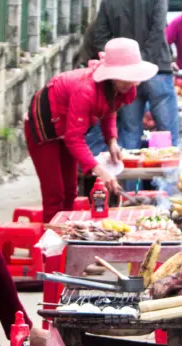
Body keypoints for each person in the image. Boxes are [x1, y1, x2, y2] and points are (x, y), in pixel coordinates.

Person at [25, 38, 157, 222]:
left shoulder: (122, 88)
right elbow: (75, 139)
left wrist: (111, 140)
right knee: (55, 194)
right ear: (111, 73)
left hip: (67, 129)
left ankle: (67, 238)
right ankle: (51, 246)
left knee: (71, 191)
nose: (130, 81)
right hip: (44, 127)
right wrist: (101, 172)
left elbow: (110, 110)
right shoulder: (85, 90)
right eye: (125, 75)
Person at [92, 0, 179, 146]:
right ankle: (164, 179)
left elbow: (100, 39)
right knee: (166, 136)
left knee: (129, 135)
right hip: (157, 70)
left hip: (124, 80)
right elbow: (158, 32)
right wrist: (141, 67)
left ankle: (127, 179)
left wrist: (124, 70)